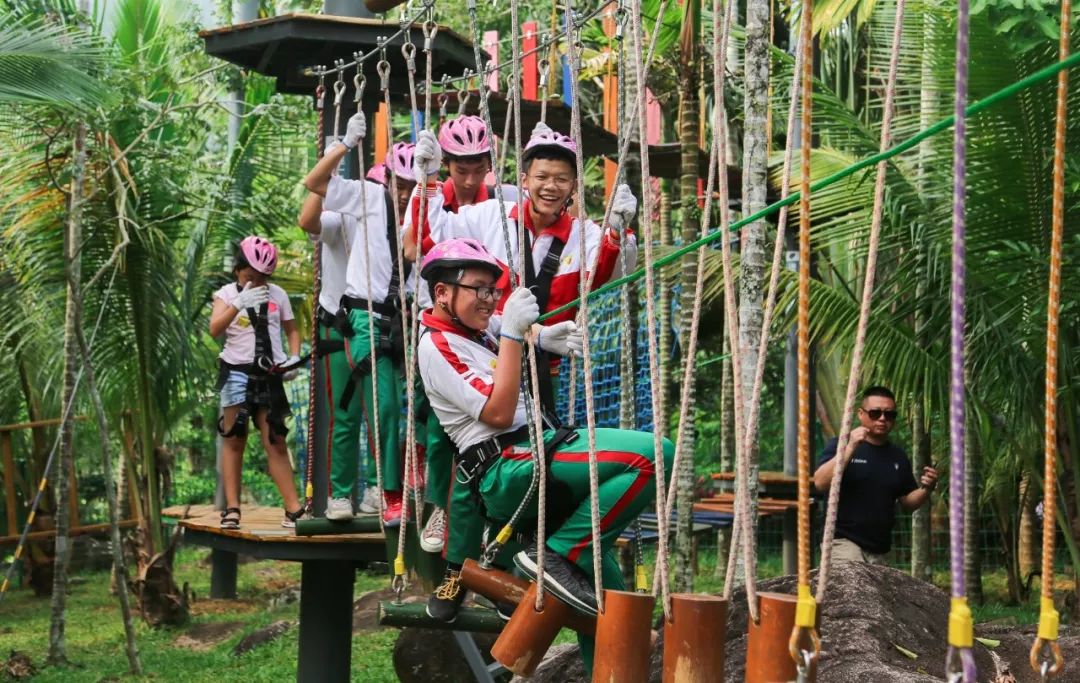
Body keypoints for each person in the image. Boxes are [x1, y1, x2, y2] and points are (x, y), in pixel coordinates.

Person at [415, 238, 672, 623]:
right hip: (508, 465)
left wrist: (540, 336)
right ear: (442, 292)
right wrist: (515, 336)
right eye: (479, 290)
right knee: (655, 454)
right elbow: (498, 413)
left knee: (611, 609)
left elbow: (515, 332)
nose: (489, 300)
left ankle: (571, 567)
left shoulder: (477, 329)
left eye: (493, 290)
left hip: (535, 450)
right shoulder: (437, 345)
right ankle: (560, 553)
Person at [300, 113, 405, 525]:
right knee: (345, 410)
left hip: (374, 322)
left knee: (385, 408)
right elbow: (308, 217)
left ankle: (379, 487)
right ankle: (340, 493)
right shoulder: (341, 218)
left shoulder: (391, 229)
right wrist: (335, 155)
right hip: (338, 322)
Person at [209, 236, 305, 529]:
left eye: (262, 277)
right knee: (234, 439)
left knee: (274, 440)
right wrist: (238, 303)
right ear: (239, 269)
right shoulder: (226, 294)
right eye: (251, 276)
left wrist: (293, 357)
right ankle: (233, 509)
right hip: (237, 372)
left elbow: (292, 331)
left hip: (270, 374)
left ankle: (293, 508)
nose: (256, 282)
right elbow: (215, 329)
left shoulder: (277, 296)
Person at [813, 386, 939, 564]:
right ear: (860, 414)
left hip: (880, 549)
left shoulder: (898, 456)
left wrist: (927, 488)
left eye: (889, 415)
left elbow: (907, 503)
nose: (882, 419)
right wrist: (849, 448)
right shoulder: (840, 444)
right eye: (875, 413)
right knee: (853, 590)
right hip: (843, 542)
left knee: (876, 593)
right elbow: (820, 482)